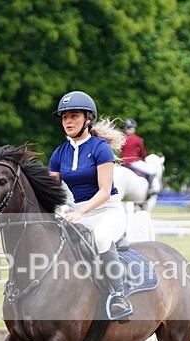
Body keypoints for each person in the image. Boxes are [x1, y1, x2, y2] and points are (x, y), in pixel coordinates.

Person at [49, 90, 132, 321]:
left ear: (88, 119)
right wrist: (57, 210)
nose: (68, 121)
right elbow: (52, 192)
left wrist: (79, 212)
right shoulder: (59, 154)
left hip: (108, 210)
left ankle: (119, 296)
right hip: (79, 212)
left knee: (101, 238)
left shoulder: (100, 148)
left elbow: (104, 191)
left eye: (74, 116)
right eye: (65, 117)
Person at [120, 118, 157, 193]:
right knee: (152, 171)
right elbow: (142, 152)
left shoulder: (121, 139)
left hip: (122, 162)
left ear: (125, 128)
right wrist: (144, 159)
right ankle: (150, 189)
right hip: (133, 162)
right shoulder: (137, 139)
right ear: (133, 128)